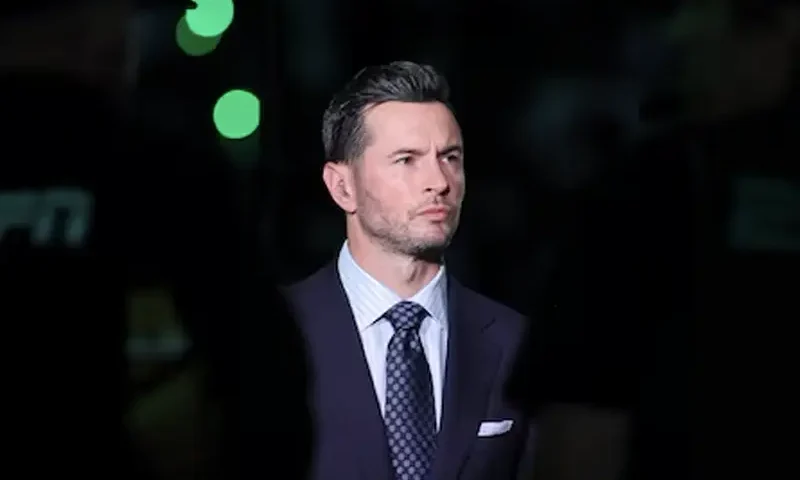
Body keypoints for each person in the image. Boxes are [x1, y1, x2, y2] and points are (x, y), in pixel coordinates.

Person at [284, 61, 537, 480]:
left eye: (450, 157)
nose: (439, 180)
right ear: (342, 186)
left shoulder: (515, 342)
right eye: (406, 160)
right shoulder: (275, 334)